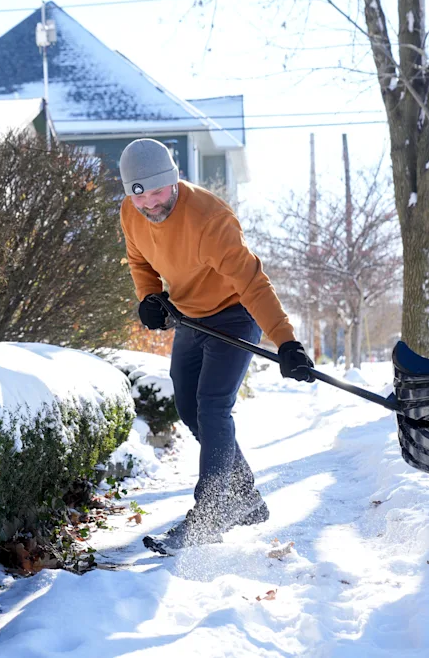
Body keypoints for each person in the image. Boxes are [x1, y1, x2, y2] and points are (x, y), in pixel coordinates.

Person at [117, 138, 315, 552]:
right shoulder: (130, 214)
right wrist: (149, 297)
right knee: (189, 408)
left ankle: (211, 512)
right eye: (140, 196)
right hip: (191, 317)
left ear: (174, 179)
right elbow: (140, 261)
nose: (150, 204)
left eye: (157, 192)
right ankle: (244, 498)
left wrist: (287, 343)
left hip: (234, 313)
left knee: (212, 406)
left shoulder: (209, 218)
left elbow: (252, 283)